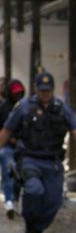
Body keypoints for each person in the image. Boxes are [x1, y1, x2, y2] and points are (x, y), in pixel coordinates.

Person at [0, 72, 76, 233]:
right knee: (34, 190)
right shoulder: (25, 107)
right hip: (29, 159)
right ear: (36, 89)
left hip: (53, 162)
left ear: (52, 90)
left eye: (48, 91)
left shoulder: (61, 107)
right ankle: (30, 227)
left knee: (54, 200)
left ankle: (36, 232)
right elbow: (7, 130)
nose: (45, 94)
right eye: (42, 91)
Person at [0, 79, 25, 218]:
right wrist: (9, 139)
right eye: (15, 93)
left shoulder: (25, 107)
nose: (18, 96)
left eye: (20, 93)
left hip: (22, 147)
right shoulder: (3, 108)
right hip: (7, 146)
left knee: (20, 174)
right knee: (9, 170)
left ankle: (15, 200)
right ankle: (9, 200)